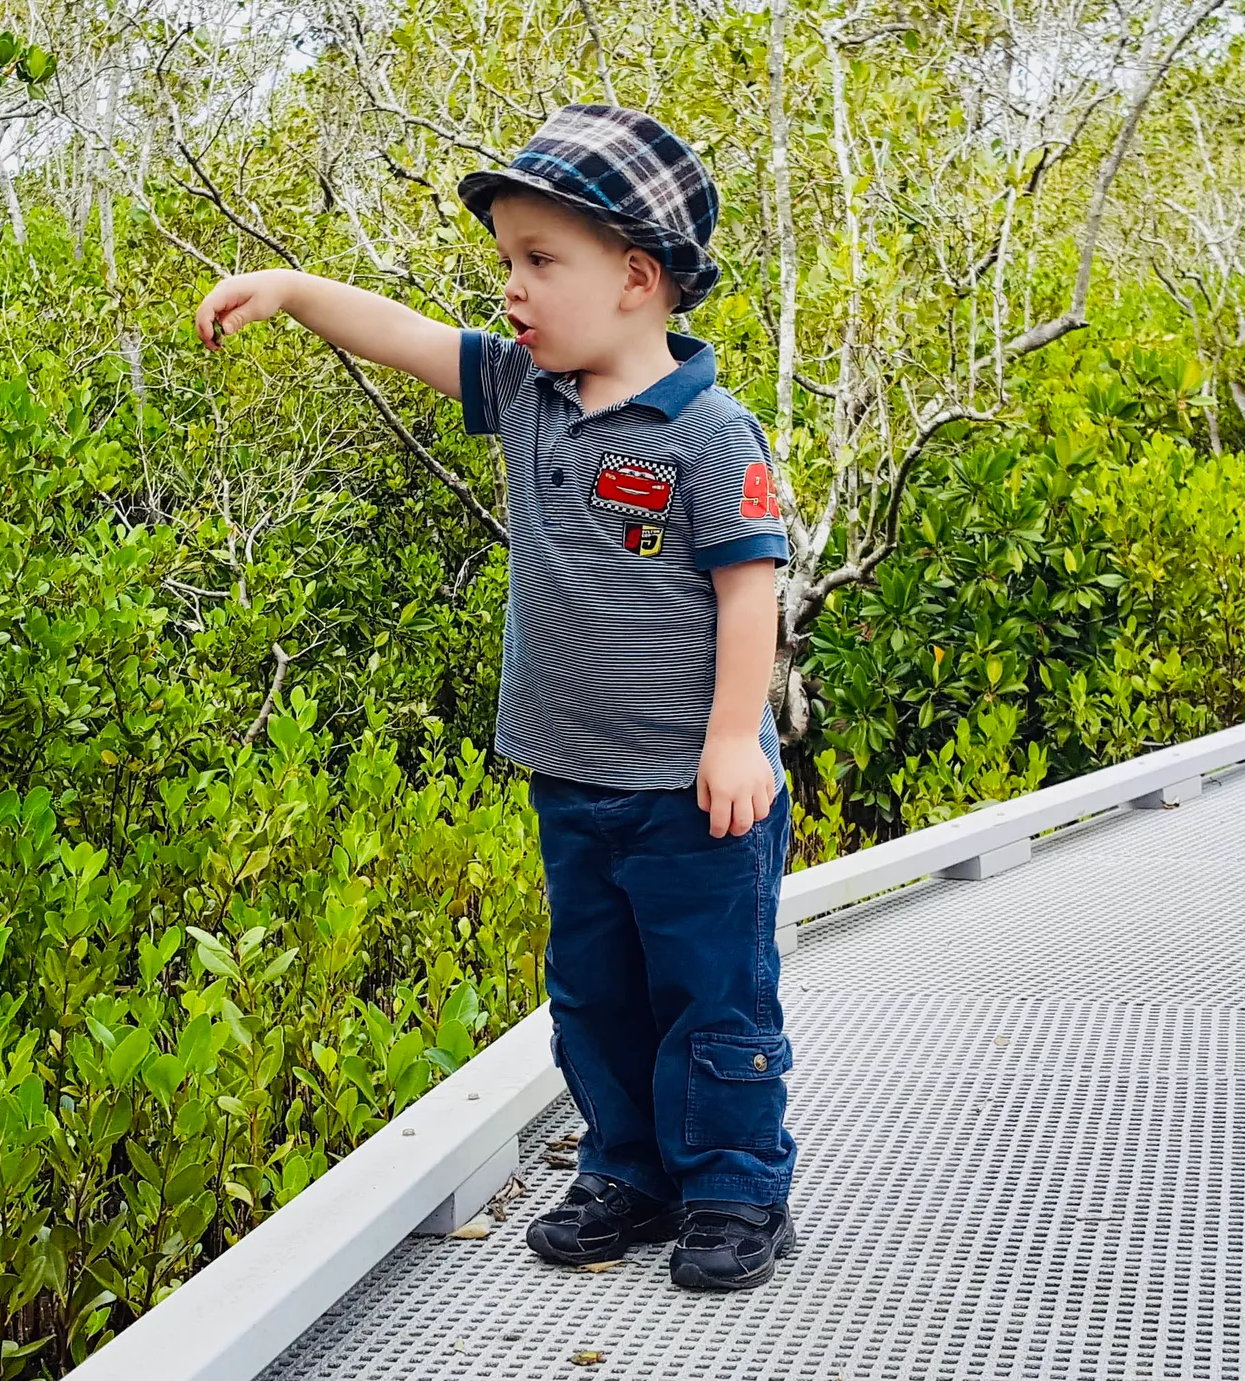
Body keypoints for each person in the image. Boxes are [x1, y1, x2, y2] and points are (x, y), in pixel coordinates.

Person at [194, 104, 798, 1292]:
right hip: (573, 779)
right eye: (506, 261)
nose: (510, 290)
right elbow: (406, 336)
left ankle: (735, 1186)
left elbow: (750, 591)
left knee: (714, 996)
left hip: (693, 795)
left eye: (538, 261)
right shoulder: (527, 390)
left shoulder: (714, 432)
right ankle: (629, 1169)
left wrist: (737, 738)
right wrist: (293, 287)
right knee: (594, 994)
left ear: (635, 278)